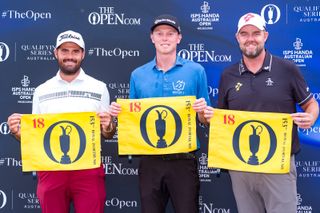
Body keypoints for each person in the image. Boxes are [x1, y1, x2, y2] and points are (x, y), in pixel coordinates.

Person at [204, 13, 319, 213]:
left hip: (278, 165)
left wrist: (311, 117)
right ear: (237, 37)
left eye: (256, 33)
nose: (250, 38)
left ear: (265, 36)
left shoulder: (287, 69)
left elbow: (311, 105)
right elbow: (220, 119)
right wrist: (206, 116)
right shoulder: (227, 75)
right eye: (245, 34)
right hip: (240, 166)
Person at [109, 14, 210, 213]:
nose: (165, 38)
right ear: (152, 38)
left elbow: (205, 120)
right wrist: (119, 114)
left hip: (183, 159)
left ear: (178, 38)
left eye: (170, 34)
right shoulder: (138, 75)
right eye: (160, 33)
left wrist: (202, 112)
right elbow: (133, 118)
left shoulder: (196, 71)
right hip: (150, 160)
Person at [7, 30, 116, 213]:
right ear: (55, 53)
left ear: (83, 54)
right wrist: (18, 133)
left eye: (75, 51)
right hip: (51, 169)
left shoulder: (99, 87)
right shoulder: (41, 90)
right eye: (65, 51)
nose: (70, 56)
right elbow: (35, 136)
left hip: (88, 169)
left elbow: (107, 133)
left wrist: (108, 126)